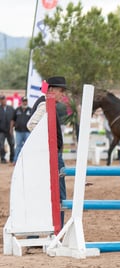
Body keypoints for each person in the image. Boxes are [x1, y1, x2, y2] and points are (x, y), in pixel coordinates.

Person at [27, 76, 67, 228]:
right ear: (50, 90)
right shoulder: (44, 104)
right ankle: (58, 230)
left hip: (48, 155)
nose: (62, 94)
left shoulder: (48, 104)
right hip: (52, 156)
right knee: (61, 196)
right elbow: (31, 125)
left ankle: (40, 231)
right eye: (60, 90)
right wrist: (47, 144)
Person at [11, 96, 31, 165]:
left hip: (27, 131)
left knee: (27, 146)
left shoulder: (30, 110)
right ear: (21, 102)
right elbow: (13, 120)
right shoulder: (17, 110)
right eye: (23, 101)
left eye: (26, 101)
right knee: (18, 146)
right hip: (18, 131)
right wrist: (11, 129)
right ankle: (15, 160)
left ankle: (27, 161)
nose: (25, 102)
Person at [0, 95, 15, 163]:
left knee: (12, 144)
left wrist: (14, 126)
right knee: (1, 145)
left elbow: (15, 118)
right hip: (1, 131)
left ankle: (12, 158)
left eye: (4, 99)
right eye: (2, 100)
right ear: (0, 101)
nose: (4, 101)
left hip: (10, 130)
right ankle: (3, 158)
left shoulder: (11, 108)